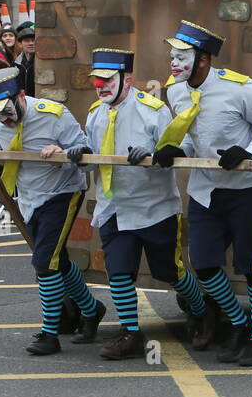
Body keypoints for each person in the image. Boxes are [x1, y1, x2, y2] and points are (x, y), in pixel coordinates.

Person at [70, 48, 216, 360]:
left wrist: (151, 156)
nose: (101, 86)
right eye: (97, 80)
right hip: (114, 207)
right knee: (119, 273)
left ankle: (202, 311)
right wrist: (79, 156)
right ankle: (130, 332)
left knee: (170, 272)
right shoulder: (95, 113)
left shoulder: (154, 111)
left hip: (154, 207)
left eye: (108, 80)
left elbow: (173, 152)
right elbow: (92, 161)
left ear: (127, 80)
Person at [155, 21, 252, 366]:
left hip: (245, 191)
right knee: (206, 264)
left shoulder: (239, 89)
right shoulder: (176, 91)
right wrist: (174, 148)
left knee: (250, 266)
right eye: (172, 56)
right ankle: (238, 324)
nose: (173, 63)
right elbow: (187, 133)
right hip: (205, 189)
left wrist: (248, 152)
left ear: (204, 60)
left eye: (181, 57)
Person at [0, 65, 108, 356]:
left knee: (44, 262)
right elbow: (1, 139)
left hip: (62, 192)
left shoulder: (54, 114)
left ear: (21, 96)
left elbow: (85, 154)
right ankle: (91, 308)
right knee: (55, 259)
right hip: (29, 194)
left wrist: (62, 156)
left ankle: (50, 333)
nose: (4, 120)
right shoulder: (0, 116)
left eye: (8, 112)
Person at [14, 22, 37, 96]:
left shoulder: (42, 63)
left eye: (33, 40)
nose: (31, 43)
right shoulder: (16, 64)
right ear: (20, 44)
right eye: (27, 40)